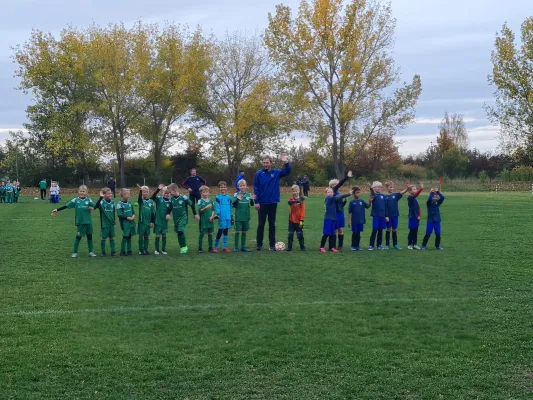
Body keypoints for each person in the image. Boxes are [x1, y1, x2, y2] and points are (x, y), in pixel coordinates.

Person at [253, 153, 291, 251]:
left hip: (272, 203)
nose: (265, 164)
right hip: (262, 203)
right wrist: (256, 201)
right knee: (261, 224)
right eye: (264, 163)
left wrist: (286, 162)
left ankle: (272, 245)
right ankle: (259, 244)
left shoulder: (276, 172)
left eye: (267, 162)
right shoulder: (259, 173)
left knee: (272, 224)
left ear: (271, 163)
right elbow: (256, 187)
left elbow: (287, 172)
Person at [51, 185, 96, 258]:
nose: (82, 193)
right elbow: (66, 206)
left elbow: (95, 206)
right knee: (78, 237)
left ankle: (91, 252)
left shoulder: (89, 200)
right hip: (80, 222)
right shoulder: (75, 200)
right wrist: (57, 209)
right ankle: (75, 252)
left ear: (87, 192)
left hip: (88, 222)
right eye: (80, 191)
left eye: (83, 191)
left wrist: (92, 208)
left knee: (89, 237)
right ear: (78, 192)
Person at [168, 183, 199, 254]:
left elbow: (191, 204)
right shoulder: (172, 199)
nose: (169, 193)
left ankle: (184, 247)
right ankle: (182, 247)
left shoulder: (183, 197)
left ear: (174, 190)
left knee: (180, 231)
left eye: (170, 191)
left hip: (183, 217)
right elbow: (170, 207)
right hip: (176, 219)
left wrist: (195, 214)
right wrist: (167, 214)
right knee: (179, 232)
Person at [320, 188, 351, 253]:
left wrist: (345, 201)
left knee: (332, 234)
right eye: (328, 192)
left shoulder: (334, 199)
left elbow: (340, 205)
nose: (330, 193)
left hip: (334, 219)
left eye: (331, 192)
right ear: (326, 194)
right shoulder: (328, 198)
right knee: (326, 234)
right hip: (328, 219)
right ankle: (321, 247)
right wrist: (348, 194)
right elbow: (340, 196)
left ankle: (332, 247)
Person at [329, 170, 353, 250]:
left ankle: (340, 246)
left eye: (336, 184)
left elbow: (340, 205)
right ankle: (333, 246)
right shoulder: (333, 191)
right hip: (335, 213)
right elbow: (340, 183)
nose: (336, 185)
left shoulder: (338, 192)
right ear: (331, 185)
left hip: (340, 212)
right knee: (335, 230)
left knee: (341, 229)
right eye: (334, 184)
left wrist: (345, 201)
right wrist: (347, 177)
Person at [384, 180, 410, 250]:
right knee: (388, 229)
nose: (392, 188)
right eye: (390, 187)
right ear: (387, 188)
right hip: (388, 216)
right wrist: (386, 216)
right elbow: (384, 208)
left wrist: (407, 188)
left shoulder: (395, 195)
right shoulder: (385, 197)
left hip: (395, 215)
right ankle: (387, 245)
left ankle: (395, 244)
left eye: (392, 187)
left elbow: (402, 192)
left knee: (394, 229)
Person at [233, 179, 255, 252]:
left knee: (244, 231)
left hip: (246, 216)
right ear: (238, 187)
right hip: (238, 216)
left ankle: (243, 246)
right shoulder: (236, 194)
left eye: (243, 185)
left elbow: (251, 204)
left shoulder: (249, 195)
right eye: (240, 185)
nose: (242, 187)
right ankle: (236, 247)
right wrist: (237, 199)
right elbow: (233, 205)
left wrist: (252, 200)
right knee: (238, 231)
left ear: (246, 186)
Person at [348, 186, 372, 251]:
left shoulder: (362, 201)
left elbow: (368, 206)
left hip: (361, 220)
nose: (358, 194)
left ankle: (357, 246)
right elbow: (349, 213)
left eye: (359, 193)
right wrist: (349, 221)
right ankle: (353, 246)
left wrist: (370, 201)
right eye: (357, 193)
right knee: (354, 233)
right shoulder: (351, 202)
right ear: (353, 194)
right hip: (354, 221)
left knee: (358, 233)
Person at [151, 184, 173, 255]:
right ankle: (156, 250)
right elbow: (152, 197)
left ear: (170, 193)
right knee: (158, 235)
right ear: (162, 193)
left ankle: (163, 249)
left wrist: (168, 214)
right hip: (158, 221)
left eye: (168, 193)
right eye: (165, 193)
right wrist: (158, 189)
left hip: (164, 222)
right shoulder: (159, 199)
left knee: (164, 235)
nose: (166, 194)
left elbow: (170, 209)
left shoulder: (170, 201)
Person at [95, 187, 117, 256]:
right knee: (104, 237)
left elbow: (113, 211)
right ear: (104, 194)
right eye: (108, 193)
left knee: (111, 237)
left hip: (111, 223)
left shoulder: (113, 202)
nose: (110, 195)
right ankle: (103, 251)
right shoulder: (101, 202)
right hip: (104, 223)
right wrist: (100, 197)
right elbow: (95, 207)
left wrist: (114, 219)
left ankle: (113, 251)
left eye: (110, 193)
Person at [136, 184, 156, 256]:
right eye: (144, 192)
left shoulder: (151, 201)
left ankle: (145, 249)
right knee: (141, 235)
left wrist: (151, 222)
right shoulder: (141, 201)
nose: (145, 193)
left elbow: (153, 213)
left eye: (146, 192)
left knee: (146, 236)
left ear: (148, 192)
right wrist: (140, 191)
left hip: (148, 222)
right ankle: (141, 250)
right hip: (142, 221)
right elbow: (139, 198)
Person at [214, 181, 233, 253]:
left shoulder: (228, 197)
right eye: (221, 187)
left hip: (228, 216)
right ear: (219, 188)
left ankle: (225, 247)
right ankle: (216, 247)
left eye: (224, 187)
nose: (223, 188)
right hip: (221, 217)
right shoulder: (218, 197)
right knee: (220, 231)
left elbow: (231, 206)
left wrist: (231, 215)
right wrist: (218, 214)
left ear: (226, 188)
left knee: (226, 231)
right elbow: (217, 207)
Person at [286, 184, 306, 251]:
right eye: (293, 191)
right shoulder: (291, 199)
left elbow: (303, 211)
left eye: (296, 191)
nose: (295, 192)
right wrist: (297, 201)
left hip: (300, 221)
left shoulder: (302, 200)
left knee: (300, 234)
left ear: (299, 191)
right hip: (291, 220)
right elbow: (289, 202)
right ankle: (289, 247)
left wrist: (301, 220)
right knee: (290, 234)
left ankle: (302, 247)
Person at [117, 188, 136, 256]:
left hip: (131, 222)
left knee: (129, 236)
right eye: (128, 194)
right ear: (123, 195)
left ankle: (129, 250)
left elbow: (133, 210)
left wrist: (133, 215)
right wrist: (127, 218)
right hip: (125, 223)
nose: (129, 196)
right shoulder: (119, 204)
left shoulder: (130, 202)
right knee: (125, 236)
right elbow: (119, 215)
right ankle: (122, 251)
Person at [368, 181, 387, 250]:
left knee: (380, 230)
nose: (379, 188)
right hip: (376, 215)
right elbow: (373, 194)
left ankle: (379, 245)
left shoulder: (383, 196)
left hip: (382, 216)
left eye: (380, 187)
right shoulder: (373, 195)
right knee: (375, 230)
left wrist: (386, 216)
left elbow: (385, 206)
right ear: (374, 188)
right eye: (377, 187)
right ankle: (371, 245)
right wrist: (371, 188)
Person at [197, 185, 215, 253]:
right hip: (203, 220)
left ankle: (210, 248)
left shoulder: (211, 201)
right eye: (203, 192)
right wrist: (206, 208)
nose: (205, 193)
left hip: (210, 220)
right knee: (202, 234)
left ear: (208, 192)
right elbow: (200, 211)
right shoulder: (200, 201)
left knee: (210, 234)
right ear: (201, 193)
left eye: (206, 192)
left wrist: (212, 216)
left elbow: (213, 210)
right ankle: (200, 248)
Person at [407, 182, 424, 250]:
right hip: (412, 217)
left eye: (415, 189)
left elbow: (418, 208)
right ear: (410, 191)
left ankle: (414, 244)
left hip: (417, 218)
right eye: (413, 189)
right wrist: (421, 189)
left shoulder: (415, 199)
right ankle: (409, 244)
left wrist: (419, 215)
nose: (415, 190)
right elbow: (415, 195)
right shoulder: (410, 197)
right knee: (412, 231)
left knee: (416, 231)